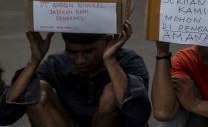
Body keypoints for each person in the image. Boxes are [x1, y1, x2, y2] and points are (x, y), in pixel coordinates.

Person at [0, 20, 151, 127]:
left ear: (108, 41)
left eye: (88, 52)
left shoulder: (129, 62)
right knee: (36, 90)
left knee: (112, 93)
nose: (79, 60)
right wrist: (34, 60)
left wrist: (110, 61)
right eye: (71, 52)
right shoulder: (55, 64)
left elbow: (139, 115)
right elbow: (4, 115)